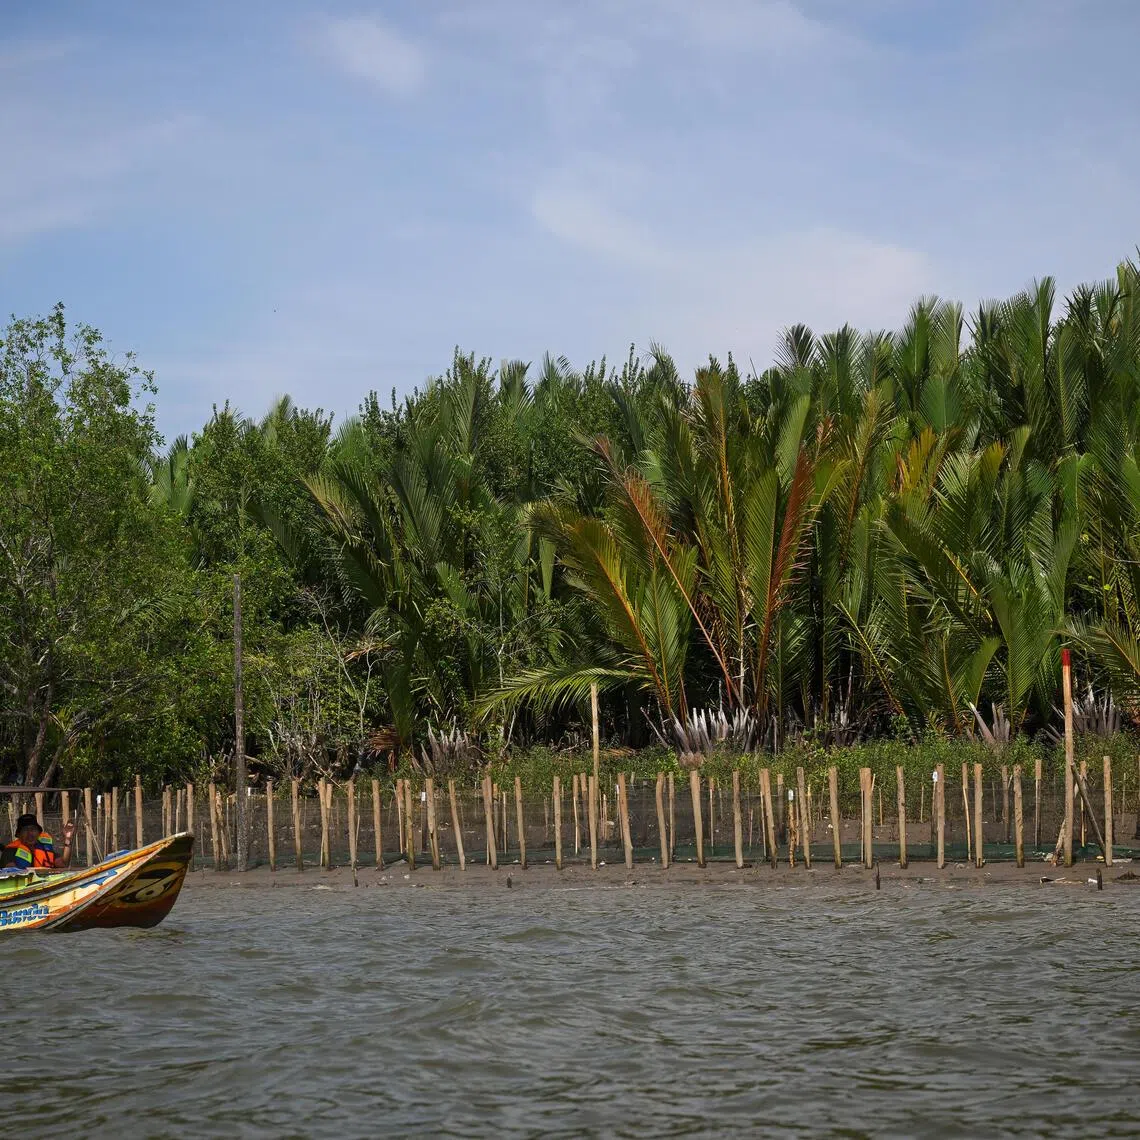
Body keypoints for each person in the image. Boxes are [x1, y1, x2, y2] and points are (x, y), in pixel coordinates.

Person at [1, 814, 76, 870]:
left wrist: (68, 839)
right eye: (25, 830)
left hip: (47, 885)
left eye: (33, 829)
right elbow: (11, 872)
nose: (30, 833)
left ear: (39, 833)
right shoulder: (10, 851)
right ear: (19, 834)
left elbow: (63, 863)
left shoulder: (45, 848)